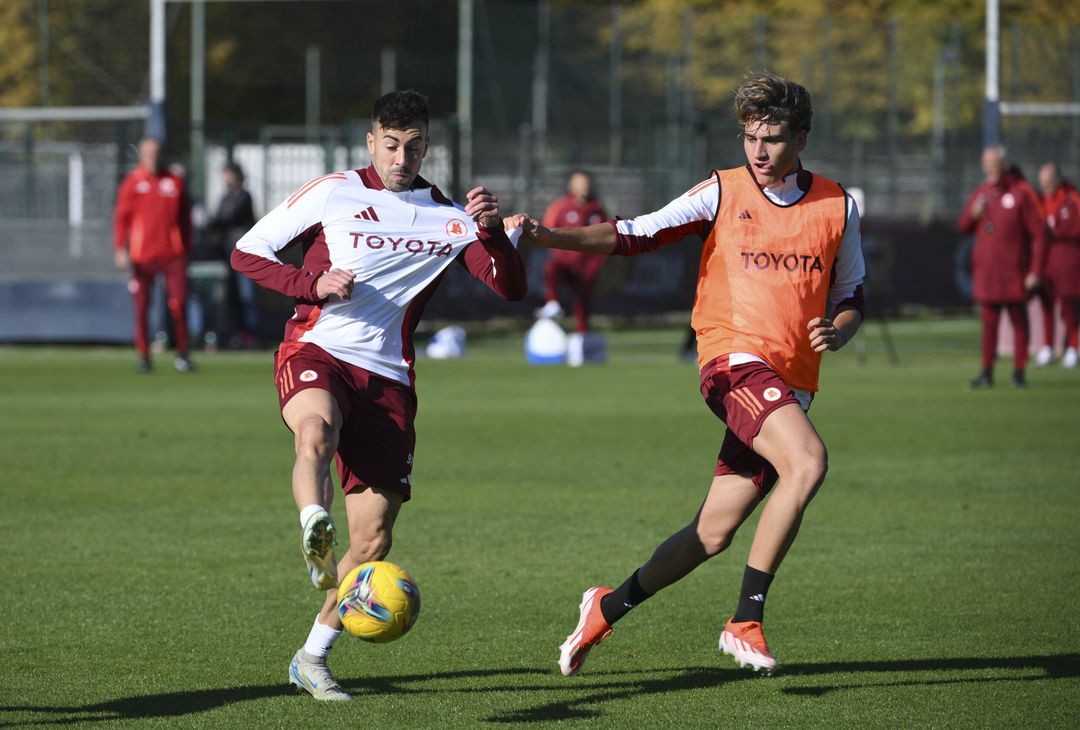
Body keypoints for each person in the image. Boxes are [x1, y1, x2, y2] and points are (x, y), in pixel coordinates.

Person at [519, 71, 865, 676]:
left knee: (711, 535)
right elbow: (634, 234)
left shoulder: (838, 205)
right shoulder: (724, 191)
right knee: (807, 463)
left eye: (774, 139)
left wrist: (840, 329)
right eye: (750, 137)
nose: (758, 151)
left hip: (790, 385)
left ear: (802, 138)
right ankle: (746, 619)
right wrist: (548, 236)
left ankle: (606, 606)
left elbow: (853, 292)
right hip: (731, 363)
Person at [230, 90, 526, 701]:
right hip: (317, 349)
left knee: (372, 541)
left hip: (389, 377)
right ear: (371, 142)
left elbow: (508, 288)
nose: (401, 156)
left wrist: (493, 234)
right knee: (316, 431)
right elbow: (247, 252)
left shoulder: (448, 213)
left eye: (413, 146)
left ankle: (312, 657)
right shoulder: (333, 190)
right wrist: (312, 283)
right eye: (390, 144)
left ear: (427, 146)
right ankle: (314, 522)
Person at [957, 146, 1046, 388]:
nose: (990, 168)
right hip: (987, 273)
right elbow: (963, 225)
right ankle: (986, 372)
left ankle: (1019, 372)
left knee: (1019, 322)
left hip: (1014, 272)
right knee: (989, 325)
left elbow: (1039, 234)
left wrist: (1035, 271)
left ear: (1005, 164)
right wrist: (974, 214)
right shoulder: (981, 192)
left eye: (994, 163)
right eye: (987, 163)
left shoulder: (1022, 192)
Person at [113, 137, 195, 372]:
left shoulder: (174, 182)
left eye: (156, 152)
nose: (153, 157)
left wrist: (187, 248)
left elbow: (185, 220)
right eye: (148, 152)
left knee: (178, 303)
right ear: (141, 155)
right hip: (142, 256)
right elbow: (121, 219)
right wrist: (120, 248)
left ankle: (182, 353)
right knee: (141, 306)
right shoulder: (132, 183)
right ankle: (144, 355)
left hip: (173, 255)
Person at [535, 171, 608, 366]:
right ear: (572, 186)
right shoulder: (561, 207)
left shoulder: (597, 210)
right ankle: (552, 302)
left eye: (587, 183)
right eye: (580, 183)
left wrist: (595, 266)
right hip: (565, 263)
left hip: (586, 268)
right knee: (551, 269)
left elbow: (606, 238)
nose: (585, 187)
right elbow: (547, 230)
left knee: (583, 307)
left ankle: (581, 346)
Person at [207, 161, 260, 347]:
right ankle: (237, 332)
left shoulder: (244, 197)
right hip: (229, 252)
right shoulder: (225, 197)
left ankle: (252, 333)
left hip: (244, 252)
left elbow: (228, 218)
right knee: (233, 296)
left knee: (247, 295)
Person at [1035, 162, 1080, 368]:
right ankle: (1047, 346)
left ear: (1057, 181)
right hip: (1046, 263)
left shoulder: (1072, 199)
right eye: (1042, 185)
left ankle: (1073, 346)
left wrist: (1056, 229)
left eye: (1048, 184)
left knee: (1069, 306)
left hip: (1067, 263)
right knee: (1046, 305)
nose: (1046, 189)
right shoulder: (1040, 201)